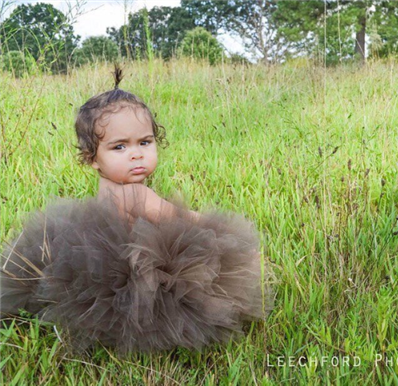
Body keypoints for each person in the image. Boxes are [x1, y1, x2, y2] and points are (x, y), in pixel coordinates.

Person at [0, 66, 274, 355]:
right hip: (135, 277)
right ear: (92, 158)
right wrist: (229, 238)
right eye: (119, 147)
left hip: (99, 270)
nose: (136, 154)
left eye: (145, 142)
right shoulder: (135, 193)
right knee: (193, 275)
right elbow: (181, 217)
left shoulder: (107, 187)